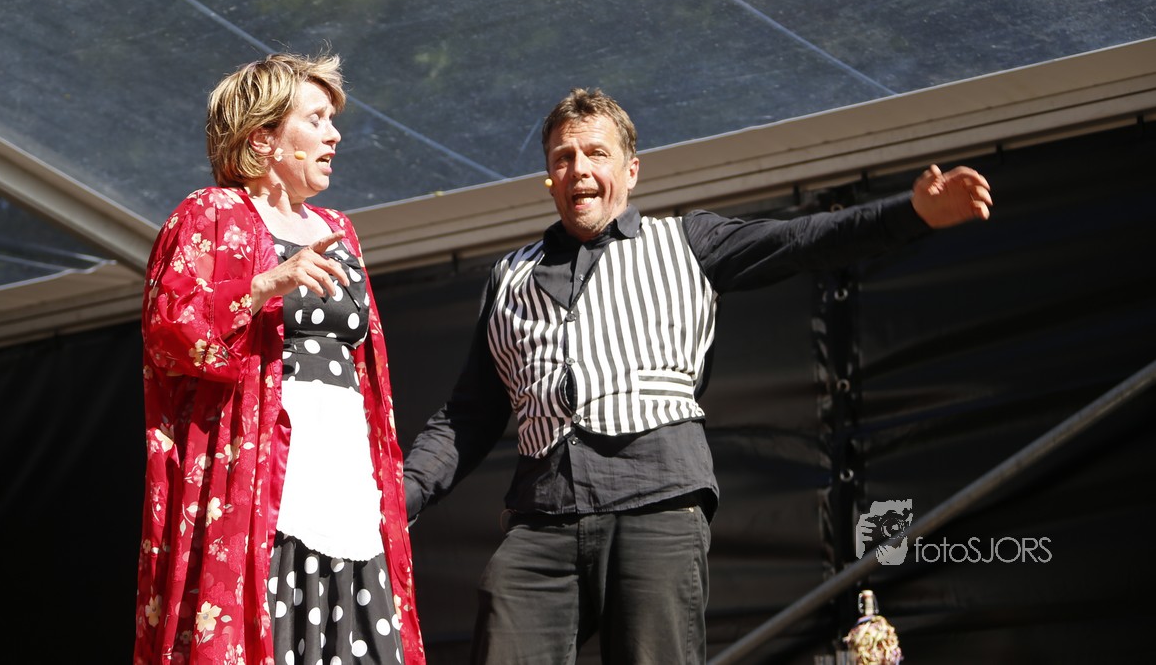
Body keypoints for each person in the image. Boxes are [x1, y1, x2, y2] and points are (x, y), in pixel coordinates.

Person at [401, 87, 994, 665]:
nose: (579, 168)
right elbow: (467, 416)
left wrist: (911, 213)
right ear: (549, 178)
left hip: (655, 502)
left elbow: (799, 241)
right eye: (564, 157)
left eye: (596, 153)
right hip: (542, 516)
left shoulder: (686, 242)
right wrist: (397, 498)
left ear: (631, 171)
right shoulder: (509, 277)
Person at [134, 52, 426, 665]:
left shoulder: (338, 228)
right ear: (263, 137)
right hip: (263, 473)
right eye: (315, 119)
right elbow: (170, 330)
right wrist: (267, 283)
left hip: (345, 471)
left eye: (332, 120)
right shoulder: (213, 213)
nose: (334, 135)